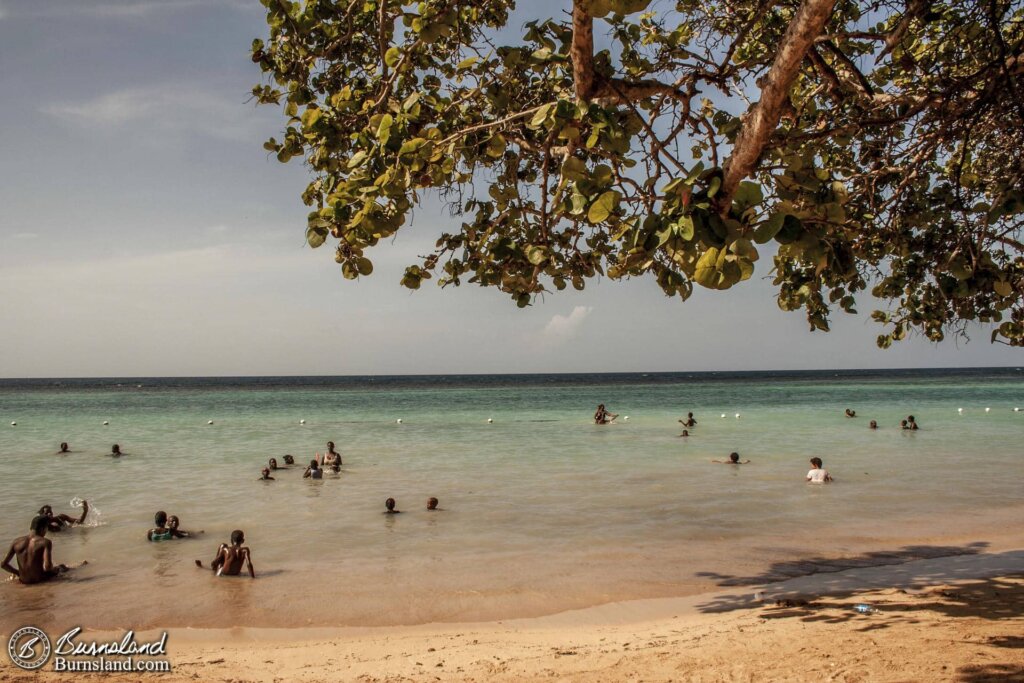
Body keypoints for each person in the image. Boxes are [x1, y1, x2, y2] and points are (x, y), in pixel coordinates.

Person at [2, 515, 83, 584]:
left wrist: (18, 573)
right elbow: (48, 567)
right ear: (43, 528)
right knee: (62, 567)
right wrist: (54, 570)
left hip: (24, 580)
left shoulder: (16, 542)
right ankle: (81, 565)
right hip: (39, 580)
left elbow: (3, 564)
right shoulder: (45, 542)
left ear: (31, 527)